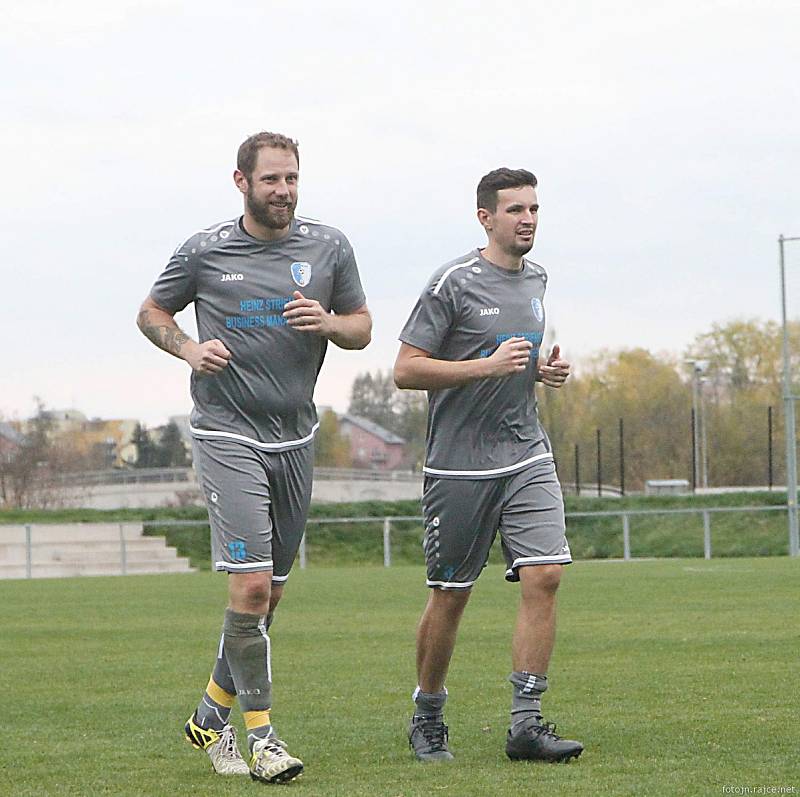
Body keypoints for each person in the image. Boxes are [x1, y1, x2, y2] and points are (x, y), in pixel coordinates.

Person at [137, 131, 371, 783]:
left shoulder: (329, 247)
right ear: (241, 182)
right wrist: (186, 347)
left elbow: (363, 327)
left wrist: (327, 322)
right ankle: (262, 738)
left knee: (267, 600)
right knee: (250, 585)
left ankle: (209, 715)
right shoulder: (206, 251)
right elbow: (152, 310)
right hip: (225, 433)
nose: (284, 190)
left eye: (292, 178)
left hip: (295, 439)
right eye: (271, 179)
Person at [393, 167, 583, 764]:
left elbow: (512, 365)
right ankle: (427, 716)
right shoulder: (452, 282)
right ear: (486, 218)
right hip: (458, 466)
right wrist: (486, 366)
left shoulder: (538, 280)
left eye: (534, 208)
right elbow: (405, 369)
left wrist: (539, 373)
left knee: (545, 574)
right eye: (515, 210)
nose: (528, 219)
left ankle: (525, 724)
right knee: (451, 594)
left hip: (525, 451)